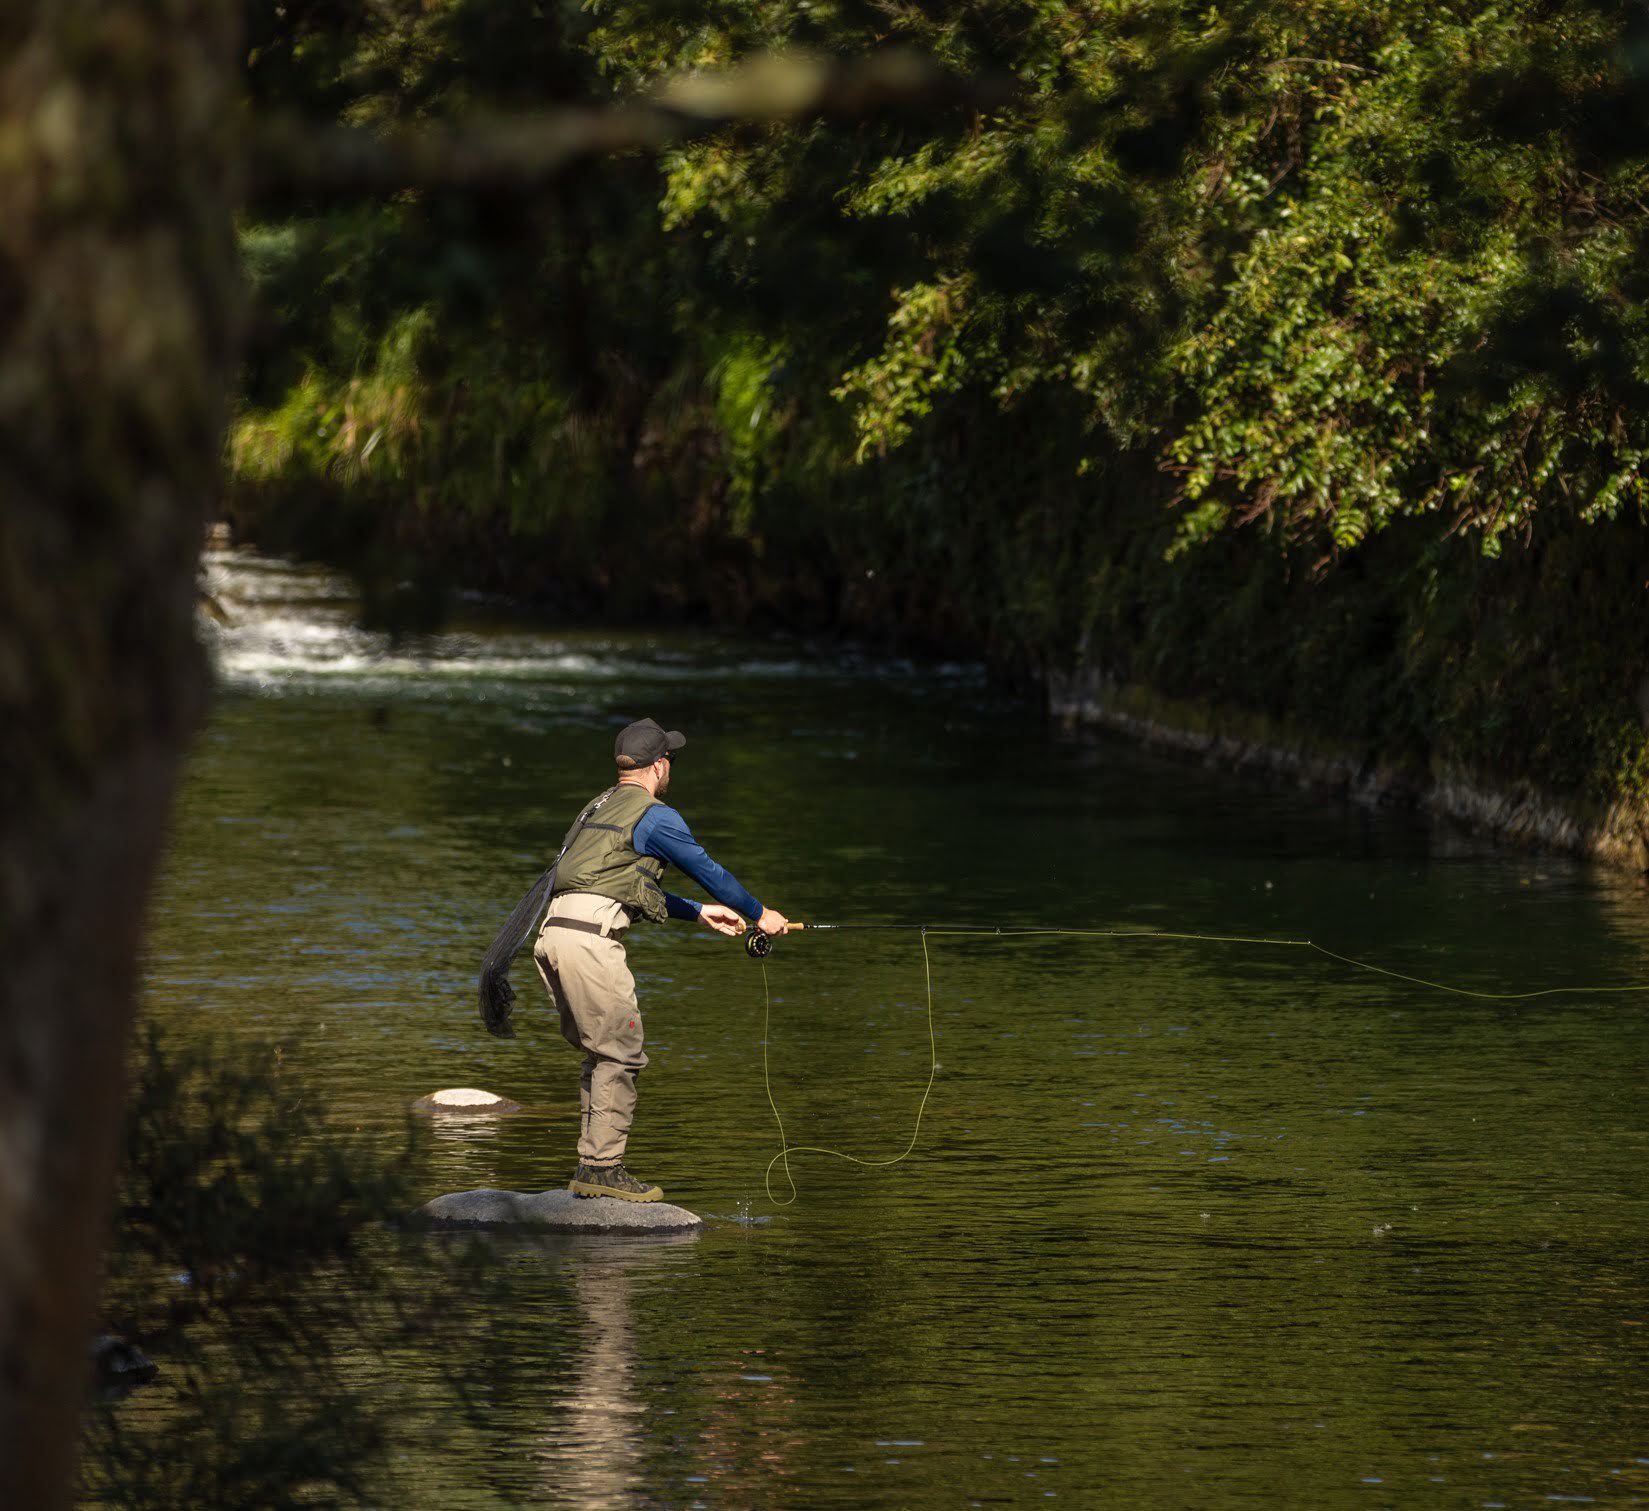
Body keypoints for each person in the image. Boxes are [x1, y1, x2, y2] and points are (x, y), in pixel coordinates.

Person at [533, 718, 788, 1202]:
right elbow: (706, 869)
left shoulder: (598, 807)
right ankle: (602, 1169)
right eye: (669, 757)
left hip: (554, 937)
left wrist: (697, 914)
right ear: (658, 765)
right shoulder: (656, 815)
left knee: (601, 1053)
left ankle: (593, 1163)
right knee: (620, 1053)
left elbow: (620, 884)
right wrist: (761, 913)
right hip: (590, 942)